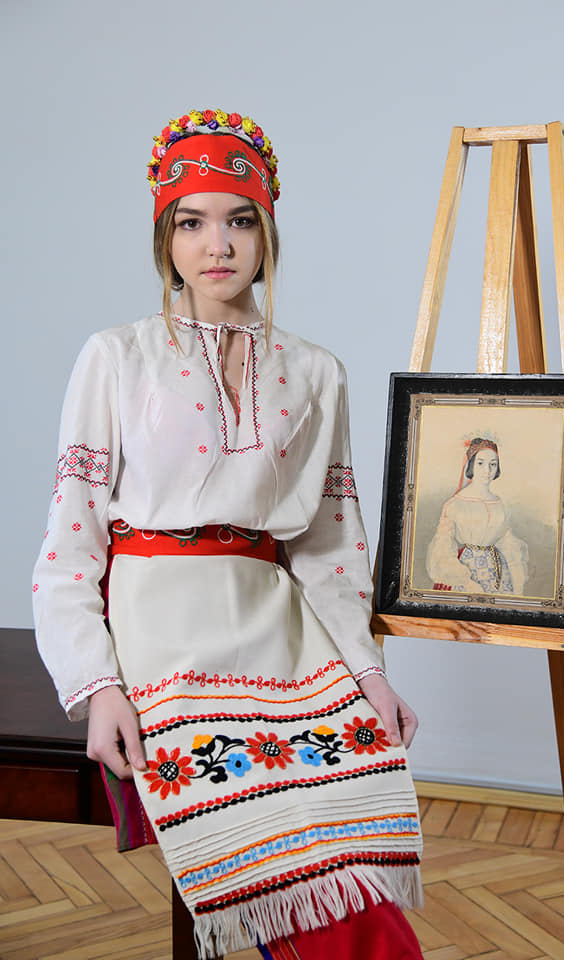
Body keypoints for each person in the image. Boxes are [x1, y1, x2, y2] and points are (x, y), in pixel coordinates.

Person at [32, 108, 423, 959]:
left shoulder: (316, 371)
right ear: (164, 239)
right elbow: (69, 544)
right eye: (192, 222)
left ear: (267, 232)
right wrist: (97, 686)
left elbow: (329, 545)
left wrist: (368, 672)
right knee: (284, 863)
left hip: (279, 630)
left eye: (240, 220)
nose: (218, 245)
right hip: (160, 632)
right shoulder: (117, 356)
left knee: (349, 848)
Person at [426, 437, 528, 595]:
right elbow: (443, 546)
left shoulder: (500, 504)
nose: (487, 470)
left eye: (493, 464)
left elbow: (508, 543)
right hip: (468, 571)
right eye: (480, 463)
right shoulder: (455, 504)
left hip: (500, 572)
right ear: (471, 465)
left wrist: (517, 578)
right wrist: (465, 581)